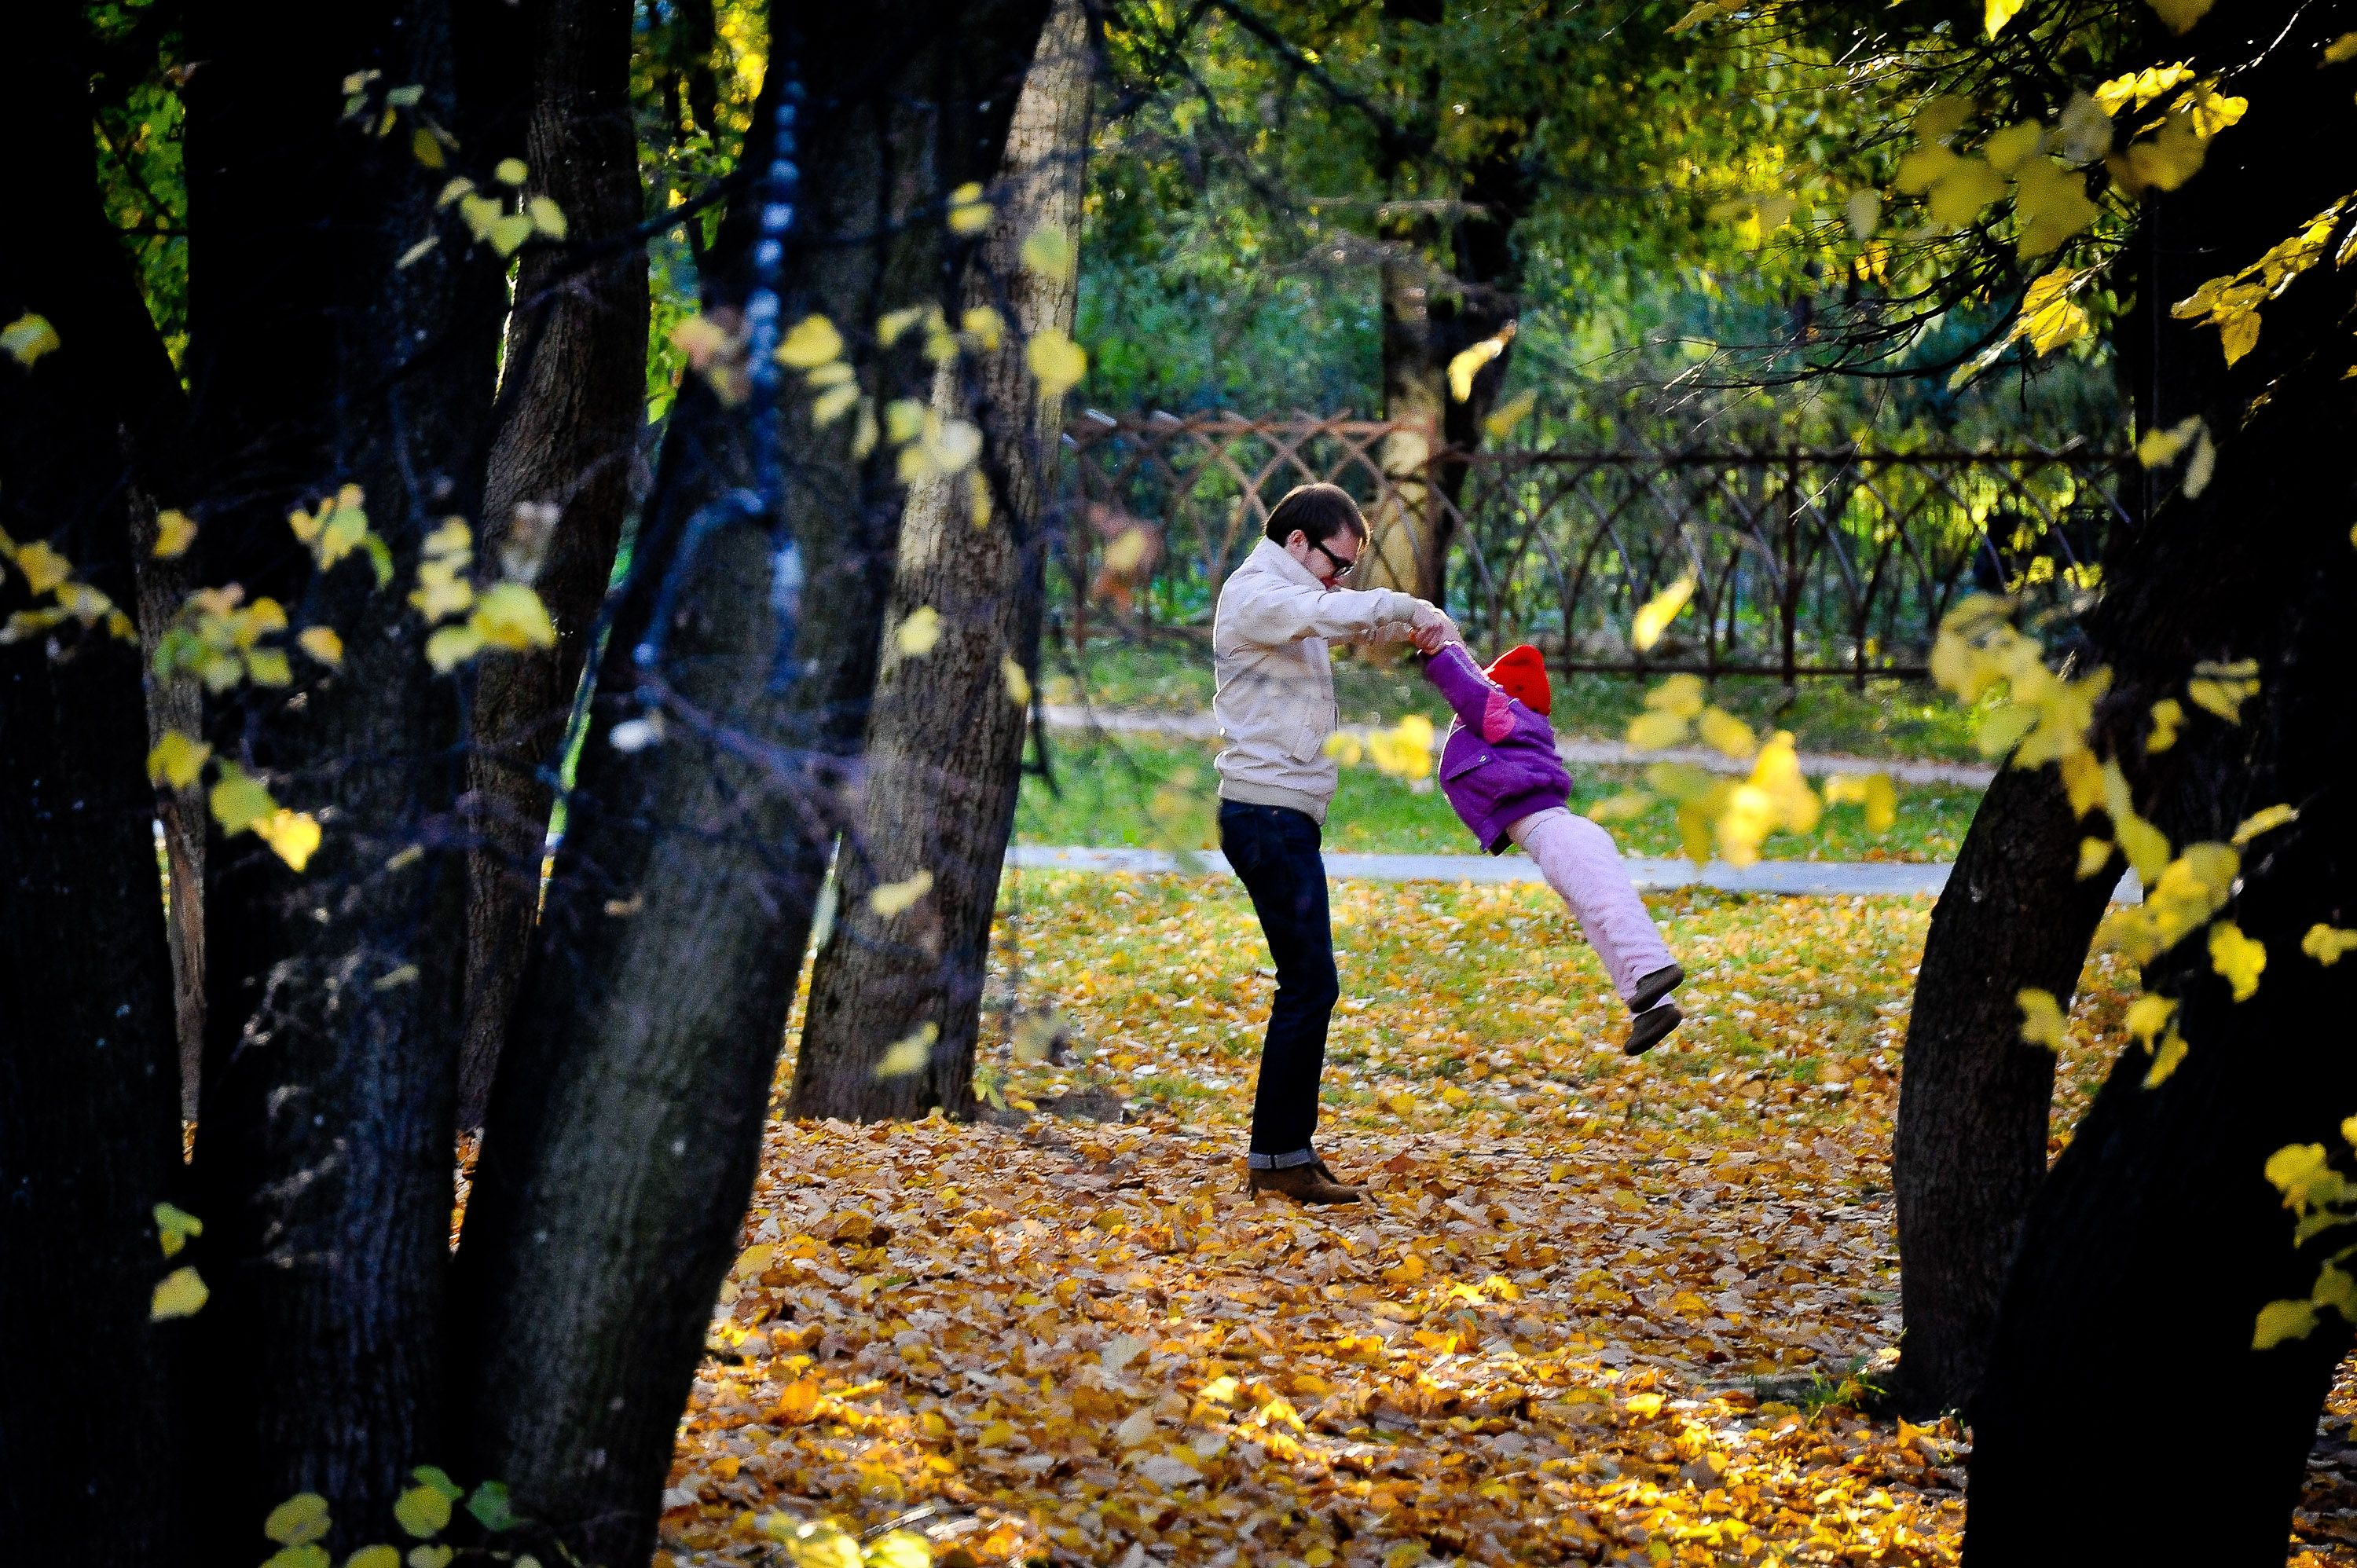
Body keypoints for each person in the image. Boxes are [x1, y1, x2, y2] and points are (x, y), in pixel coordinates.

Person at [1214, 482, 1454, 1205]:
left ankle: (1287, 1151)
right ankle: (1279, 1158)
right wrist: (1408, 607)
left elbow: (1328, 618)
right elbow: (1318, 612)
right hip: (1264, 815)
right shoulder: (1256, 592)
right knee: (1311, 984)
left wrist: (1386, 627)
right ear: (1297, 544)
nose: (1340, 578)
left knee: (1310, 984)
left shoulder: (1287, 599)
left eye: (1348, 568)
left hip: (1282, 815)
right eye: (1336, 564)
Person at [1421, 639, 1684, 1053]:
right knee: (1599, 926)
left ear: (1504, 692)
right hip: (1550, 837)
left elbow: (1469, 690)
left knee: (1608, 907)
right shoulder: (1505, 724)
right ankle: (1652, 1010)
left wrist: (1438, 652)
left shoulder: (1504, 715)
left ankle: (1654, 966)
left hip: (1560, 834)